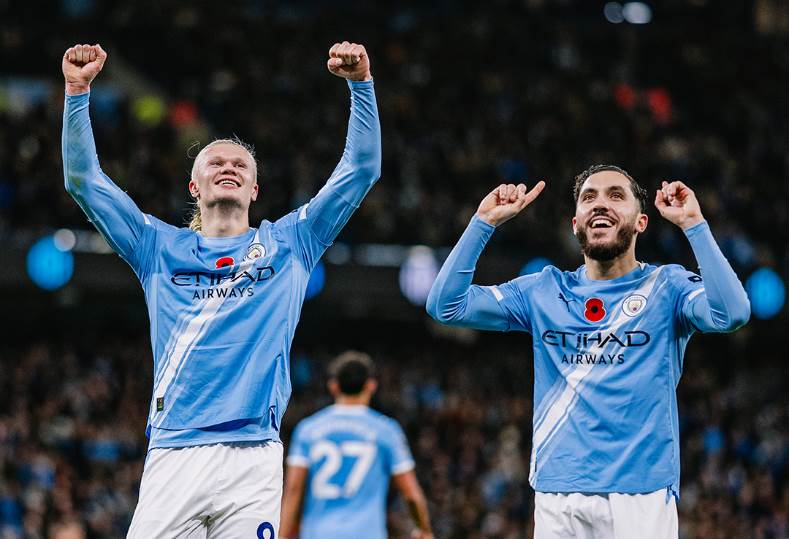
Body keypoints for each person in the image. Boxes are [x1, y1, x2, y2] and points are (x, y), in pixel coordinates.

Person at [61, 41, 380, 537]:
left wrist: (361, 85)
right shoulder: (156, 246)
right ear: (195, 187)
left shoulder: (291, 243)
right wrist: (77, 92)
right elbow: (84, 180)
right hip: (175, 453)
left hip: (254, 458)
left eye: (240, 165)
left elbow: (360, 171)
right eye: (214, 163)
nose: (228, 167)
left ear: (254, 190)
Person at [426, 166, 751, 538]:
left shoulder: (668, 286)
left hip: (642, 494)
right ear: (575, 224)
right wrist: (483, 223)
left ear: (641, 222)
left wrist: (694, 225)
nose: (600, 204)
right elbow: (445, 306)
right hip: (558, 492)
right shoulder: (543, 290)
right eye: (589, 197)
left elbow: (733, 313)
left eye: (616, 196)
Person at [280, 351, 433, 539]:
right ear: (371, 385)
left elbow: (293, 490)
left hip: (318, 533)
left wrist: (282, 535)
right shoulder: (386, 430)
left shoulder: (308, 429)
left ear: (333, 386)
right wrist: (424, 530)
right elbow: (411, 494)